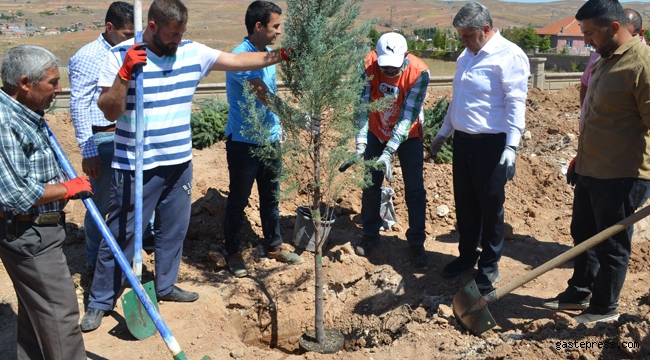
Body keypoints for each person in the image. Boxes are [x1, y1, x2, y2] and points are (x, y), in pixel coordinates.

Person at [81, 0, 287, 332]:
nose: (177, 40)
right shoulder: (120, 55)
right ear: (151, 27)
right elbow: (109, 111)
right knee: (122, 232)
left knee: (173, 230)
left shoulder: (192, 53)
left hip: (178, 161)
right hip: (136, 163)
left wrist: (285, 55)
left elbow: (237, 60)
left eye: (181, 33)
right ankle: (101, 300)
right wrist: (124, 74)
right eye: (172, 34)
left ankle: (164, 285)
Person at [542, 0, 650, 324]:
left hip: (620, 175)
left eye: (590, 33)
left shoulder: (641, 64)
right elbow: (597, 115)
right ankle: (580, 291)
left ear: (613, 28)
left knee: (611, 246)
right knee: (584, 234)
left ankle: (603, 309)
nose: (586, 40)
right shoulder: (605, 59)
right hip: (591, 167)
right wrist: (581, 157)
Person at [0, 45, 93, 359]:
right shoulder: (4, 122)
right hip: (30, 234)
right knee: (60, 316)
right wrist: (67, 188)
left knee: (34, 314)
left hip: (35, 231)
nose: (59, 88)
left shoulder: (26, 114)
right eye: (52, 82)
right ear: (25, 83)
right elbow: (17, 194)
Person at [429, 1, 530, 291]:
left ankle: (489, 266)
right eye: (460, 36)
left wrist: (511, 146)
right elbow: (458, 100)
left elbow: (515, 104)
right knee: (466, 205)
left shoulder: (510, 56)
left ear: (486, 29)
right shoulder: (466, 56)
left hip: (492, 146)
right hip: (463, 143)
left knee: (490, 207)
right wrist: (444, 133)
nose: (463, 42)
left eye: (467, 36)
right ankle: (466, 257)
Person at [224, 0, 303, 278]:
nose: (279, 31)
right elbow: (262, 93)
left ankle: (273, 244)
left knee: (271, 196)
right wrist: (297, 118)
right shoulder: (240, 57)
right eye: (275, 26)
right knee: (239, 199)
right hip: (244, 142)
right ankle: (232, 251)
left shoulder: (268, 53)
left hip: (269, 139)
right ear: (258, 26)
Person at [68, 1, 140, 276]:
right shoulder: (88, 57)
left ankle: (129, 258)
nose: (132, 40)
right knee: (100, 207)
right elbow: (78, 105)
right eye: (126, 34)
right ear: (109, 28)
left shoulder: (134, 51)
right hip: (103, 141)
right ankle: (94, 264)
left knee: (134, 201)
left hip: (130, 137)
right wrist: (88, 151)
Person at [349, 32, 430, 268]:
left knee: (415, 188)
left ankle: (416, 242)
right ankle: (370, 233)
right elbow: (362, 107)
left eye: (394, 68)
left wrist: (389, 152)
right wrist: (361, 144)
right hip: (375, 131)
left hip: (409, 135)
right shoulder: (367, 65)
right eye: (385, 67)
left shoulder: (419, 72)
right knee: (371, 185)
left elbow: (407, 116)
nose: (389, 72)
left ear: (405, 57)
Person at [578, 7, 645, 132]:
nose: (586, 41)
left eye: (590, 33)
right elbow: (585, 84)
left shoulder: (644, 63)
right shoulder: (600, 55)